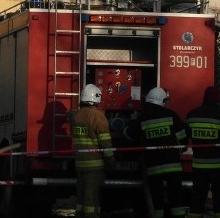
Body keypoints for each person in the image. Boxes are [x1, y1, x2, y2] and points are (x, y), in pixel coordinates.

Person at [125, 86, 188, 218]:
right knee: (176, 197)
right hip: (173, 166)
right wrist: (183, 146)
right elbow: (183, 135)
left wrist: (131, 120)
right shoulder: (171, 115)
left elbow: (129, 135)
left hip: (153, 168)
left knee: (156, 200)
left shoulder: (142, 118)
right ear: (163, 101)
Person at [186, 85, 220, 218]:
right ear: (217, 99)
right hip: (219, 167)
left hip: (199, 166)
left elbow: (184, 135)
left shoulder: (192, 114)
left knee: (197, 200)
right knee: (219, 201)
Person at [71, 84, 115, 218]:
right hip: (95, 166)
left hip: (80, 164)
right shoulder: (98, 117)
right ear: (97, 98)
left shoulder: (76, 117)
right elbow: (106, 143)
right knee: (92, 199)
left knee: (81, 199)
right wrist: (111, 162)